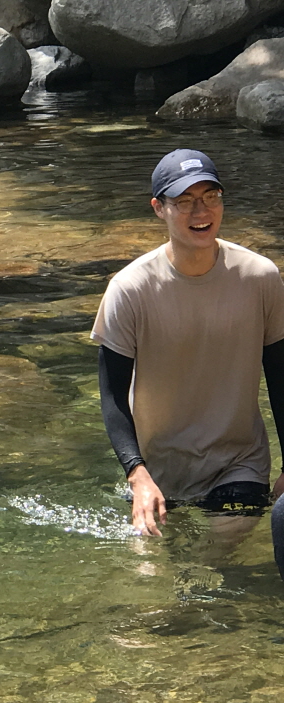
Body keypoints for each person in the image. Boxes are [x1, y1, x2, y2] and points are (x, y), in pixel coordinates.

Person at [91, 149, 284, 540]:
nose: (201, 211)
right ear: (158, 209)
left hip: (238, 463)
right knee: (149, 566)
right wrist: (137, 474)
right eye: (185, 201)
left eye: (211, 196)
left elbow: (280, 374)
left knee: (219, 552)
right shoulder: (130, 289)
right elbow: (112, 394)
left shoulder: (260, 277)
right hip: (158, 470)